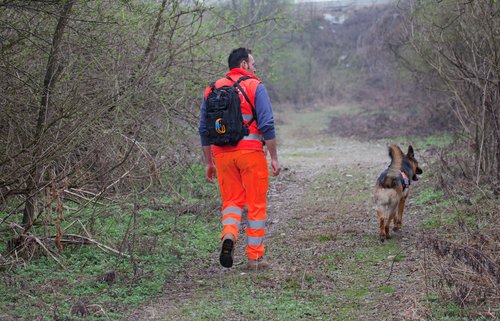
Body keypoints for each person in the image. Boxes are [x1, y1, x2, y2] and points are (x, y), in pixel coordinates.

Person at [198, 47, 280, 270]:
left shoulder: (212, 89)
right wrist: (273, 156)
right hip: (251, 154)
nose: (255, 68)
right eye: (253, 64)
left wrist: (208, 162)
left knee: (232, 203)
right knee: (255, 204)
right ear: (243, 64)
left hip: (222, 156)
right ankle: (254, 258)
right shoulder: (255, 86)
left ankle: (229, 235)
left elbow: (204, 130)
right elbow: (267, 124)